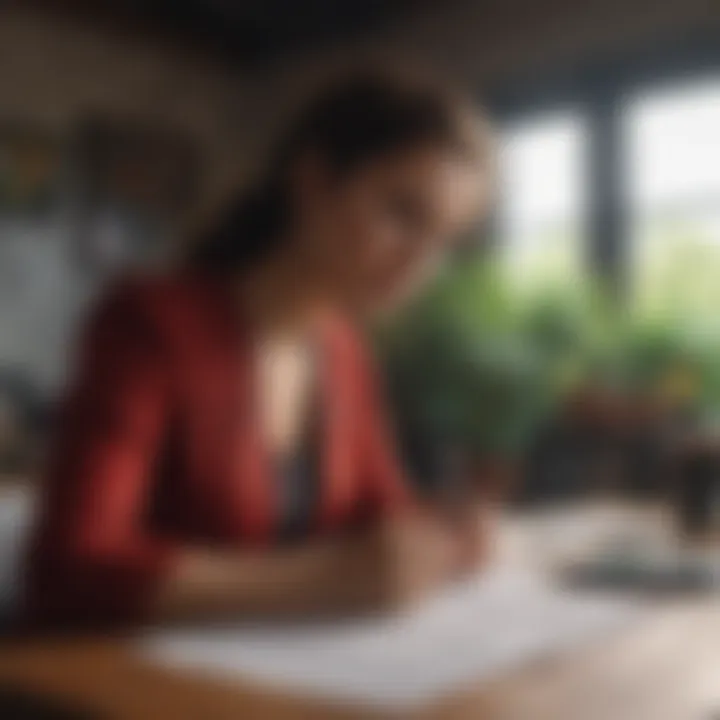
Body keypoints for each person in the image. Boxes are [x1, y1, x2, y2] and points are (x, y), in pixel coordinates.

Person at [23, 68, 492, 630]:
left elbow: (381, 514)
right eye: (401, 214)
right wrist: (326, 581)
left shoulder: (344, 352)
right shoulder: (152, 322)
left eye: (442, 239)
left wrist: (442, 535)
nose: (420, 265)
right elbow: (67, 571)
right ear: (314, 181)